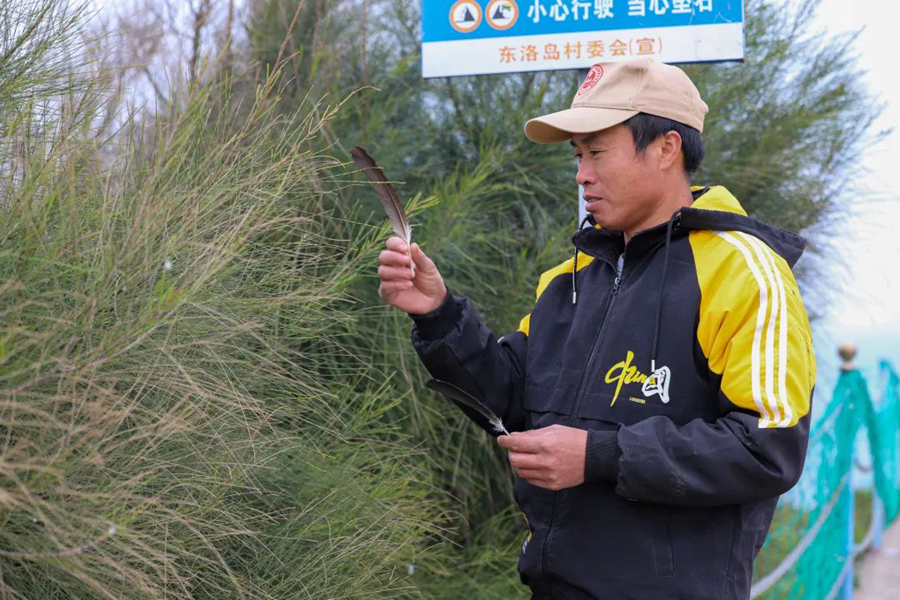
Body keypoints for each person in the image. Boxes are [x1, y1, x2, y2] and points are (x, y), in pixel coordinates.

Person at [376, 58, 816, 599]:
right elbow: (512, 399)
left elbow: (767, 448)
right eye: (578, 155)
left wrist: (599, 455)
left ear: (666, 148)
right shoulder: (569, 278)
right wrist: (437, 312)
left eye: (598, 152)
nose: (582, 174)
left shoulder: (742, 270)